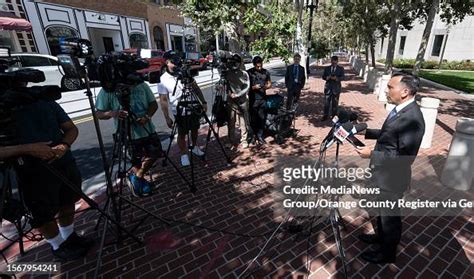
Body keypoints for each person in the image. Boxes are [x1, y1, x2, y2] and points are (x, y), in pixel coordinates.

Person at [0, 87, 93, 261]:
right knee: (42, 211)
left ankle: (69, 236)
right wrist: (28, 149)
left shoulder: (44, 100)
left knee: (68, 200)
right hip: (31, 170)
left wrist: (63, 146)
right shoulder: (5, 107)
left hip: (64, 162)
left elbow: (70, 129)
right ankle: (57, 245)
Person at [356, 72, 425, 264]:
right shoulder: (400, 109)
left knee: (390, 218)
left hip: (392, 179)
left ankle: (387, 254)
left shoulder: (413, 118)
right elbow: (390, 134)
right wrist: (366, 132)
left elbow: (405, 158)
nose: (386, 90)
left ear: (404, 91)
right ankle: (380, 238)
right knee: (382, 211)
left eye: (390, 87)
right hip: (382, 175)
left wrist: (373, 155)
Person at [96, 80, 160, 197]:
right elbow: (99, 114)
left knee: (155, 153)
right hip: (126, 133)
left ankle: (138, 176)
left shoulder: (141, 84)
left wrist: (146, 116)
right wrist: (113, 113)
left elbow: (153, 104)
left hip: (148, 130)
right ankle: (138, 182)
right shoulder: (108, 89)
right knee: (134, 161)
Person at [158, 50, 207, 166]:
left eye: (177, 60)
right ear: (167, 63)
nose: (176, 63)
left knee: (195, 129)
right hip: (179, 109)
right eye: (173, 61)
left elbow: (196, 88)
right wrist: (167, 117)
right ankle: (184, 154)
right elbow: (163, 99)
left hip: (193, 105)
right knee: (182, 133)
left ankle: (194, 147)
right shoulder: (163, 79)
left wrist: (203, 102)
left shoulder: (185, 72)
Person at [223, 54, 252, 148]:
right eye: (233, 62)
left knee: (243, 122)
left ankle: (244, 140)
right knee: (231, 122)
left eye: (237, 62)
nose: (235, 64)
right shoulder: (227, 73)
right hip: (231, 102)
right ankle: (231, 140)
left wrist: (238, 94)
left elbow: (247, 86)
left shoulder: (244, 74)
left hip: (242, 101)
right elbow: (225, 85)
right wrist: (229, 93)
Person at [247, 56, 272, 144]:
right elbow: (245, 87)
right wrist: (253, 87)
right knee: (253, 119)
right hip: (253, 99)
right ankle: (253, 136)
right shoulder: (249, 73)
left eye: (260, 65)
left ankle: (260, 136)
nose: (259, 68)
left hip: (263, 99)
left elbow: (269, 83)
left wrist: (267, 86)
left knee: (262, 118)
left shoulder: (266, 72)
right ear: (254, 65)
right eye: (257, 66)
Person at [322, 56, 345, 121]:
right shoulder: (327, 68)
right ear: (331, 61)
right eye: (332, 61)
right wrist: (327, 77)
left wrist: (336, 78)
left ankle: (334, 117)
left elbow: (343, 77)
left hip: (336, 89)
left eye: (335, 62)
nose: (333, 63)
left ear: (337, 61)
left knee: (335, 104)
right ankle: (325, 116)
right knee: (326, 103)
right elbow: (323, 76)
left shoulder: (341, 68)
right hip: (328, 88)